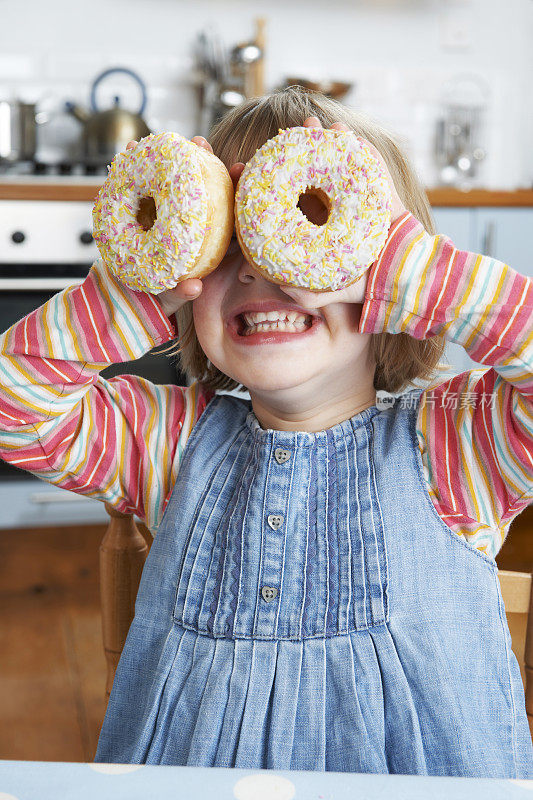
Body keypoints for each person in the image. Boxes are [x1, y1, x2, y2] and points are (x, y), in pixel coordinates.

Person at [0, 86, 532, 778]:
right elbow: (14, 410)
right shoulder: (163, 443)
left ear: (391, 272)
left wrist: (419, 273)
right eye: (222, 245)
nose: (257, 266)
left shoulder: (460, 444)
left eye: (305, 224)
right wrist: (131, 290)